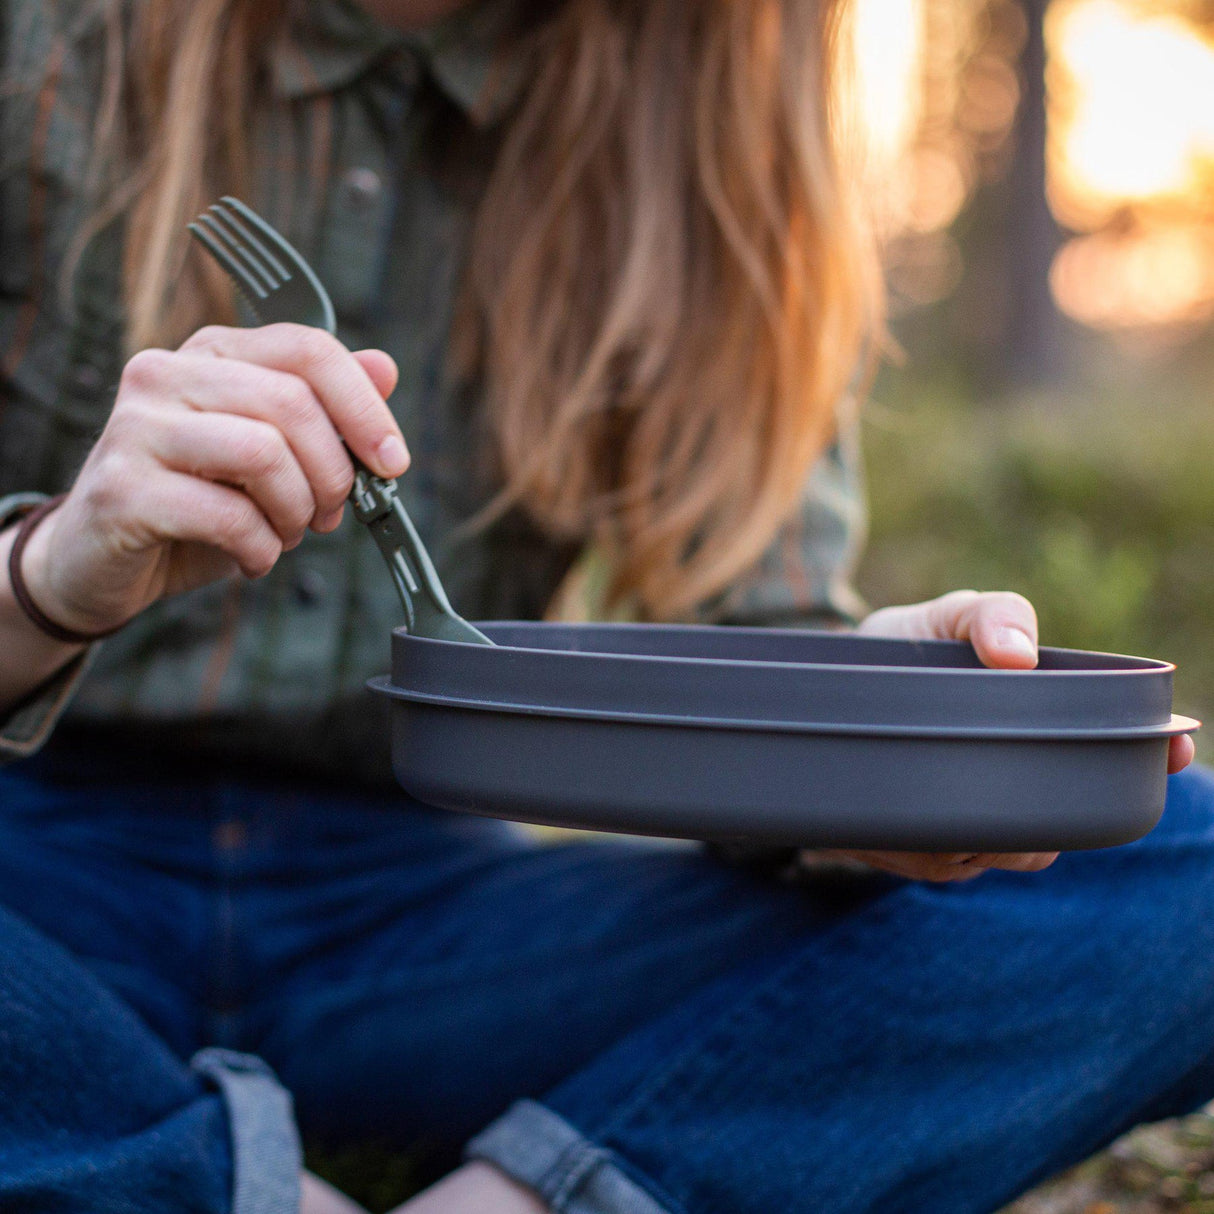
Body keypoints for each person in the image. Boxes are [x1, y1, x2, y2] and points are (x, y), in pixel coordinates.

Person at [0, 0, 1207, 1211]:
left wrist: (868, 745)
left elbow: (760, 630)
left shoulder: (702, 101)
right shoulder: (51, 42)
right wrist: (49, 574)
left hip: (443, 939)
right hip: (34, 890)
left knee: (1187, 862)